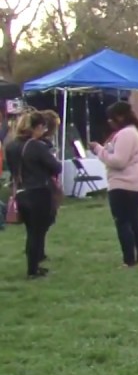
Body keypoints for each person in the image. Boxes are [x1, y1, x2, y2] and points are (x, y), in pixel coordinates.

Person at [90, 101, 138, 268]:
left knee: (123, 222)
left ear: (119, 117)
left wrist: (99, 150)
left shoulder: (126, 134)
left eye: (111, 119)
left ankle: (129, 259)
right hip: (135, 184)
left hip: (123, 185)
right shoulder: (134, 132)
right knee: (135, 220)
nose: (109, 123)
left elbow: (118, 161)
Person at [4, 112, 61, 279]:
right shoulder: (36, 146)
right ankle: (33, 268)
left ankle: (34, 265)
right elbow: (56, 167)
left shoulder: (11, 146)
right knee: (37, 232)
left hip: (21, 191)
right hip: (38, 191)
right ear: (36, 127)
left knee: (31, 231)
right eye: (42, 127)